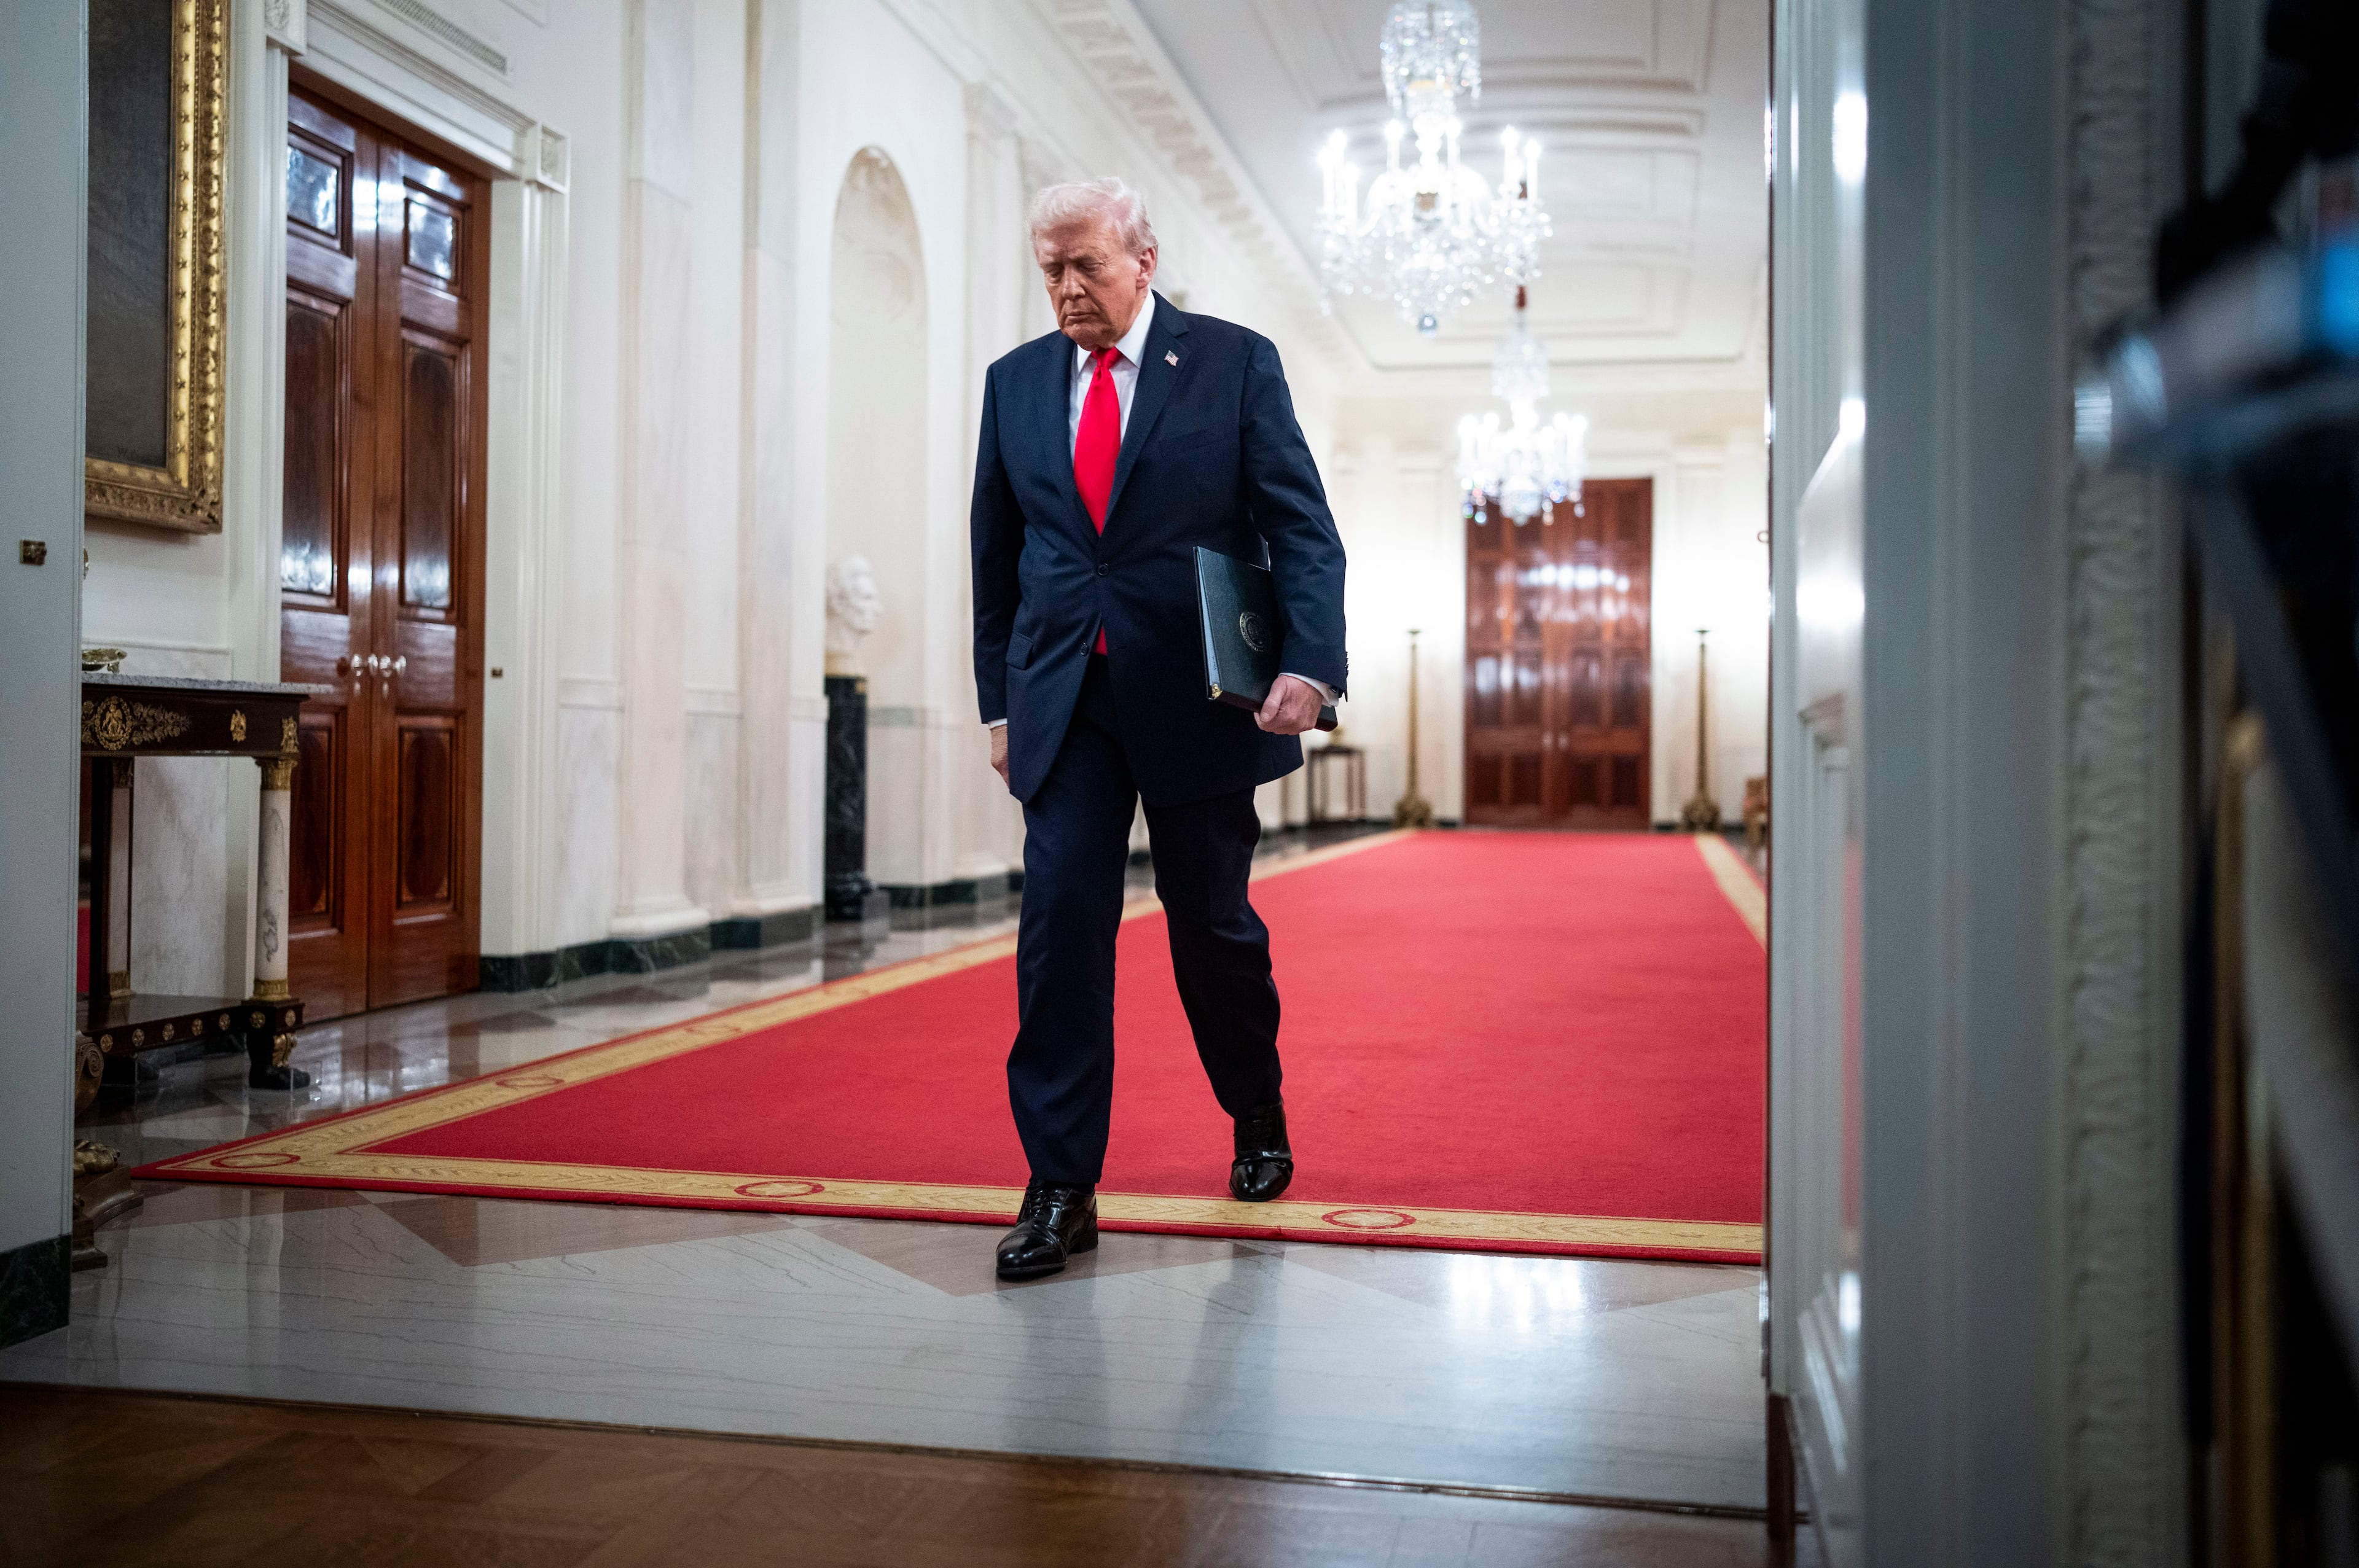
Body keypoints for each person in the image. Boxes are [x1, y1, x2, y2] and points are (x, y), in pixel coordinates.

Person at [969, 177, 1348, 1281]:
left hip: (1197, 697)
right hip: (1068, 703)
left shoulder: (1233, 362)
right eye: (1050, 269)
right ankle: (1060, 1185)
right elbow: (997, 558)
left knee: (1211, 932)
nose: (1067, 289)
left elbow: (1300, 528)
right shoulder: (1016, 384)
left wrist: (1310, 664)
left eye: (1086, 264)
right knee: (1061, 935)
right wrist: (1001, 701)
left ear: (1143, 257)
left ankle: (1256, 1110)